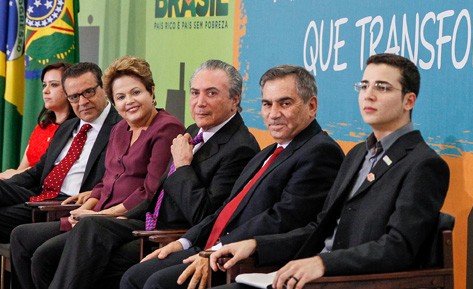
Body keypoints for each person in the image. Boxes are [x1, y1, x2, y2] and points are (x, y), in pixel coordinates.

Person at [207, 54, 450, 289]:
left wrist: (323, 263)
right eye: (364, 86)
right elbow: (318, 228)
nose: (369, 95)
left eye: (382, 88)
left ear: (409, 100)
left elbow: (398, 249)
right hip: (308, 277)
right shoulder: (357, 155)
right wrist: (256, 245)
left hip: (346, 281)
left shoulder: (423, 164)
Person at [12, 59, 260, 289]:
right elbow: (150, 190)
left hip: (167, 231)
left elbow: (205, 214)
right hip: (142, 219)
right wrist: (112, 214)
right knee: (48, 255)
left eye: (211, 93)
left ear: (235, 99)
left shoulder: (239, 147)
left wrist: (183, 167)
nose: (200, 102)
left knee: (90, 236)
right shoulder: (196, 129)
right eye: (195, 93)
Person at [120, 64, 345, 289]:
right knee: (134, 276)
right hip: (211, 248)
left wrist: (217, 250)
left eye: (285, 103)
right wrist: (184, 241)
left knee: (157, 284)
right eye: (267, 104)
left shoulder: (319, 151)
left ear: (311, 106)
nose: (273, 114)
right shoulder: (269, 152)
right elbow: (227, 209)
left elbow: (281, 220)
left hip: (245, 258)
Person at [10, 56, 185, 289]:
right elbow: (106, 182)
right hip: (99, 218)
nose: (129, 102)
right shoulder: (120, 128)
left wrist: (102, 215)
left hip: (136, 219)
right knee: (38, 252)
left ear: (151, 92)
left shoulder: (166, 128)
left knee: (89, 228)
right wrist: (85, 208)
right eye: (121, 97)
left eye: (136, 93)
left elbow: (149, 192)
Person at [0, 62, 121, 243]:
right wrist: (6, 185)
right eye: (74, 97)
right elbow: (37, 172)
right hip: (40, 195)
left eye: (88, 92)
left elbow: (115, 180)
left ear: (103, 88)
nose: (82, 102)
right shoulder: (66, 127)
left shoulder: (120, 128)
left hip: (66, 204)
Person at [0, 62, 76, 180]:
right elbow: (21, 168)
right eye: (44, 85)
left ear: (70, 90)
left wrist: (13, 174)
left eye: (54, 85)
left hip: (46, 189)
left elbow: (50, 169)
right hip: (24, 184)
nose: (45, 91)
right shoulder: (42, 127)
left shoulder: (76, 129)